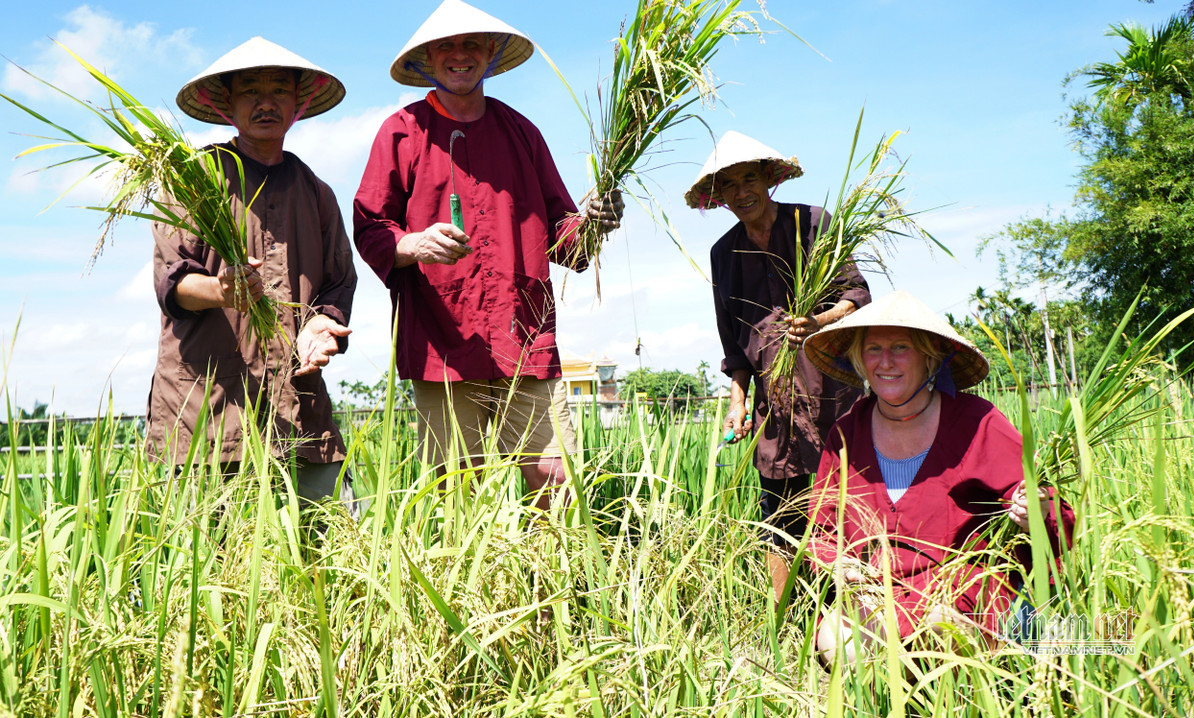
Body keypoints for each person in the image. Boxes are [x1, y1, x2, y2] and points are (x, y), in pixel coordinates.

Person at [353, 0, 623, 510]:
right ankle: (471, 593)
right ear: (428, 60)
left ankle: (555, 587)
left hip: (525, 337)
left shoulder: (522, 132)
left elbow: (565, 240)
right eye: (446, 47)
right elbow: (369, 225)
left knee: (557, 484)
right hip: (443, 343)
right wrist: (411, 244)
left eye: (470, 44)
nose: (459, 55)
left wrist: (595, 224)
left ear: (490, 53)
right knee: (458, 499)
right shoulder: (402, 131)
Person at [801, 289, 1075, 662]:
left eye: (900, 347)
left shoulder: (978, 422)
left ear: (930, 357)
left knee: (940, 637)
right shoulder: (846, 434)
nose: (886, 362)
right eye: (873, 349)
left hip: (961, 592)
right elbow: (821, 531)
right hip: (874, 595)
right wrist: (842, 567)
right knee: (838, 644)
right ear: (859, 360)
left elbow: (1046, 503)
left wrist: (1033, 511)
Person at [146, 37, 359, 514]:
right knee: (206, 565)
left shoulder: (316, 192)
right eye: (250, 91)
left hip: (298, 406)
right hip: (207, 404)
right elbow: (172, 280)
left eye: (279, 90)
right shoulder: (195, 178)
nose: (266, 102)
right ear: (228, 103)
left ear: (297, 102)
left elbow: (338, 282)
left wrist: (323, 324)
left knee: (331, 544)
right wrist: (222, 291)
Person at [685, 131, 870, 602]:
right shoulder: (723, 254)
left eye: (750, 178)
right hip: (773, 400)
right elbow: (735, 340)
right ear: (719, 196)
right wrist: (738, 400)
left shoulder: (813, 222)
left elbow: (857, 296)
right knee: (779, 512)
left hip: (833, 386)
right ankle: (784, 621)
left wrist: (818, 322)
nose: (742, 192)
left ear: (769, 178)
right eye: (729, 185)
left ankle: (855, 611)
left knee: (846, 499)